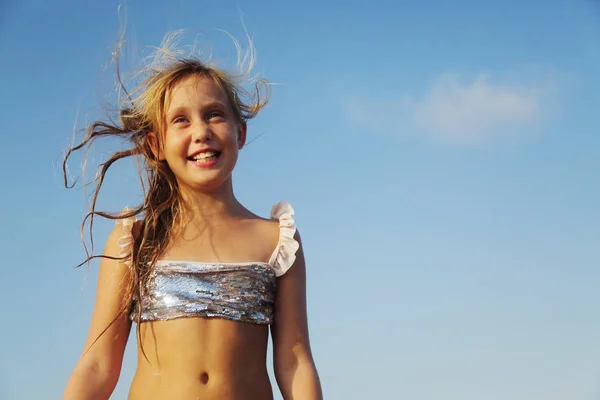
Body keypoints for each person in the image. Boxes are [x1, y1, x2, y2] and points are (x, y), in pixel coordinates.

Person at [62, 32, 323, 400]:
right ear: (156, 145)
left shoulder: (277, 241)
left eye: (214, 115)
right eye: (180, 121)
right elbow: (98, 365)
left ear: (240, 133)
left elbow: (295, 361)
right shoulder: (135, 241)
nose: (201, 132)